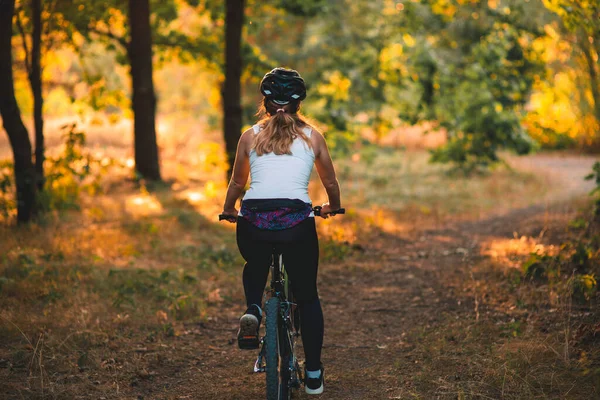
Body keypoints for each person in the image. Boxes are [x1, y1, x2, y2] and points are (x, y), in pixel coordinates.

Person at [220, 67, 342, 395]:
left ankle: (254, 310)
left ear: (265, 102)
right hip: (296, 225)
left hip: (253, 223)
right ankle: (313, 373)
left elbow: (237, 182)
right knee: (307, 296)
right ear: (299, 103)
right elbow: (329, 180)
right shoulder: (312, 136)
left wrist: (230, 209)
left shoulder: (249, 136)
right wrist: (332, 205)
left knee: (256, 262)